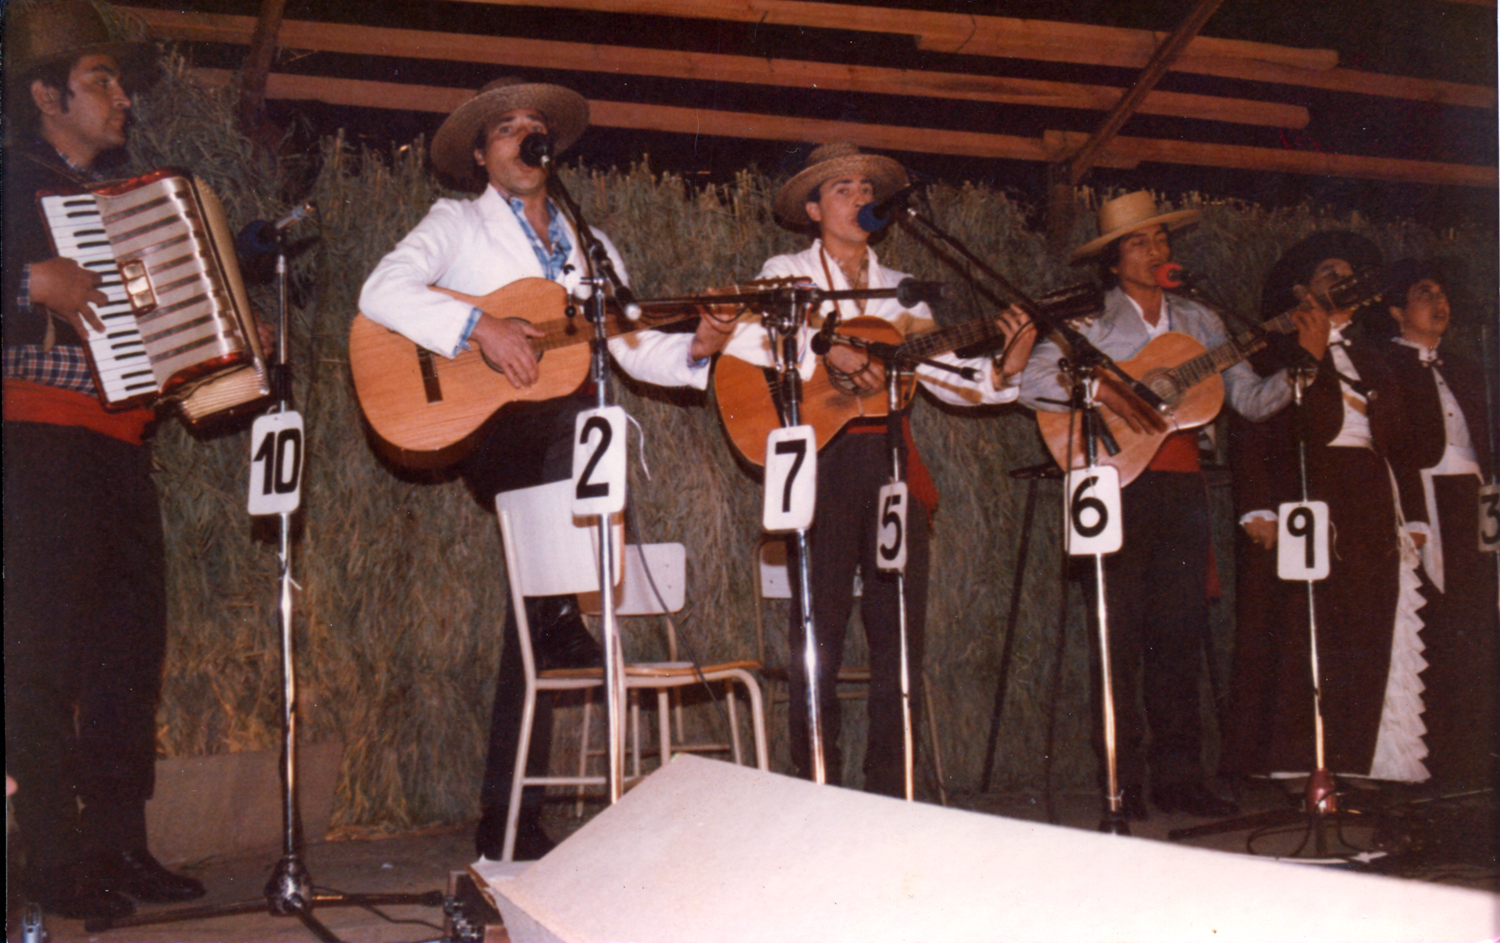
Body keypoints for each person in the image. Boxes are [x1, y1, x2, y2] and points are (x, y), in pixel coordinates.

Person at [358, 77, 733, 858]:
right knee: (581, 413)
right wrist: (479, 326)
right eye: (507, 130)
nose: (527, 138)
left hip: (560, 443)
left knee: (525, 625)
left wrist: (697, 347)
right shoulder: (456, 222)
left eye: (537, 128)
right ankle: (561, 616)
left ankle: (507, 821)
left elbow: (629, 346)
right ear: (481, 156)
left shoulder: (587, 243)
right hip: (492, 431)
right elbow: (381, 290)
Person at [716, 142, 1035, 796]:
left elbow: (946, 378)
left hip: (890, 461)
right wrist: (824, 347)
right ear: (812, 208)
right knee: (820, 628)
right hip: (821, 458)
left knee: (898, 629)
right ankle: (816, 782)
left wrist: (1006, 364)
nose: (860, 198)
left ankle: (894, 785)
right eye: (843, 189)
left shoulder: (904, 292)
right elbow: (742, 338)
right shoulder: (786, 270)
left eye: (866, 188)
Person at [1015, 192, 1328, 820]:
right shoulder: (1089, 321)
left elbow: (1249, 402)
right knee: (1117, 637)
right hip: (1110, 482)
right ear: (1112, 261)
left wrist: (1308, 360)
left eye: (1162, 239)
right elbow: (1030, 384)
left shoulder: (1203, 321)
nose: (1157, 250)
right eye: (1140, 242)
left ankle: (1180, 777)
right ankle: (1121, 781)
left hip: (1182, 487)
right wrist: (1108, 383)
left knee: (1179, 637)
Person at [3, 0, 208, 920]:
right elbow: (34, 282)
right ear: (47, 95)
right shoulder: (10, 183)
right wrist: (22, 279)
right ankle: (45, 856)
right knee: (42, 655)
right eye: (102, 81)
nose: (122, 98)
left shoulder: (133, 200)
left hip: (123, 445)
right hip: (35, 440)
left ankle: (119, 844)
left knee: (130, 651)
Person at [1221, 233, 1438, 785]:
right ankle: (1296, 767)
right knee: (1302, 627)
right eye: (1328, 273)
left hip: (1369, 501)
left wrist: (1412, 518)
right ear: (1301, 290)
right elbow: (1250, 431)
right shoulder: (1270, 349)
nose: (1341, 281)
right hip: (1308, 493)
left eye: (1349, 274)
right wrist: (1256, 509)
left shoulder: (1376, 358)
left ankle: (1364, 764)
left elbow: (1402, 447)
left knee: (1369, 627)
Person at [1379, 260, 1497, 789]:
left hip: (1474, 497)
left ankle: (1478, 753)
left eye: (1443, 292)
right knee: (1437, 619)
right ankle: (1436, 758)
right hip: (1427, 496)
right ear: (1398, 311)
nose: (1439, 302)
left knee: (1479, 617)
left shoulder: (1469, 369)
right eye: (1425, 293)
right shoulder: (1386, 366)